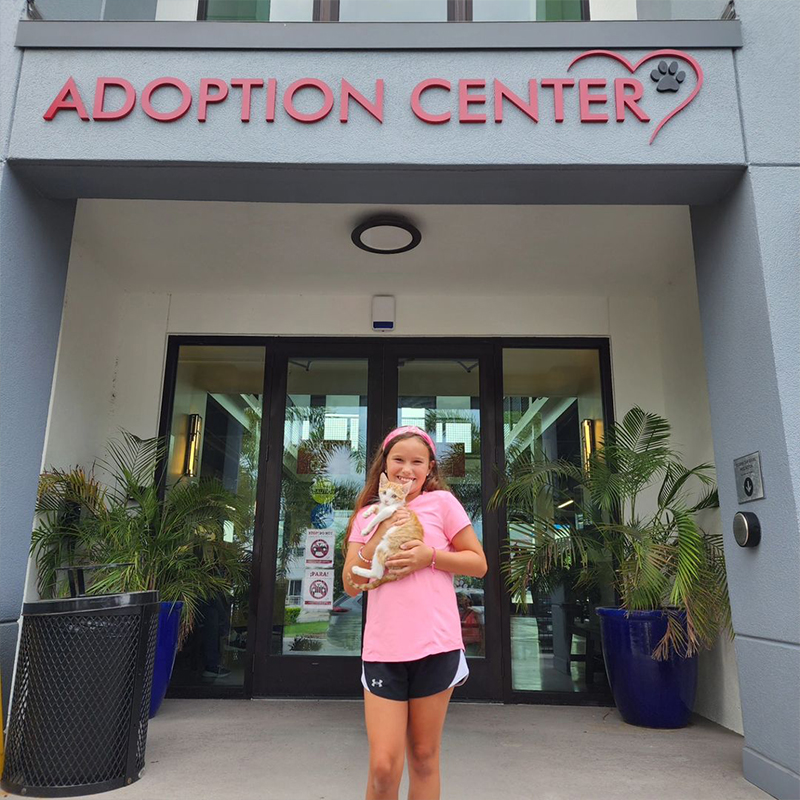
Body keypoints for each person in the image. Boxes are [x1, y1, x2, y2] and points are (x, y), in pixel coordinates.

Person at [343, 425, 488, 800]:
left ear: (429, 468)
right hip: (384, 650)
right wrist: (380, 531)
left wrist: (431, 557)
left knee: (423, 757)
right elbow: (349, 584)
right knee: (383, 767)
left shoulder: (443, 504)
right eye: (399, 460)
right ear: (384, 466)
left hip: (435, 645)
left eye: (417, 462)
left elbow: (478, 563)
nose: (407, 469)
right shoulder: (366, 515)